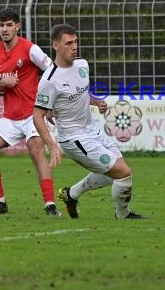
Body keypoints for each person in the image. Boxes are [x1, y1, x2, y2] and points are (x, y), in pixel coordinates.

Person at [32, 24, 144, 220]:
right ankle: (123, 215)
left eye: (75, 42)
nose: (74, 47)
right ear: (56, 46)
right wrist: (52, 146)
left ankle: (71, 194)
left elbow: (79, 93)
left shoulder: (82, 64)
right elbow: (37, 116)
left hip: (93, 131)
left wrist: (95, 102)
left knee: (116, 173)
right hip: (74, 139)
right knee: (123, 173)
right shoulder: (49, 80)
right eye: (68, 43)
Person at [0, 7, 60, 216]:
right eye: (1, 25)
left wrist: (48, 104)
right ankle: (0, 202)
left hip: (32, 115)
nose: (5, 29)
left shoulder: (29, 49)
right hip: (10, 117)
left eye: (9, 25)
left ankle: (50, 205)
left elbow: (52, 71)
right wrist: (2, 83)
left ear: (17, 27)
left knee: (36, 151)